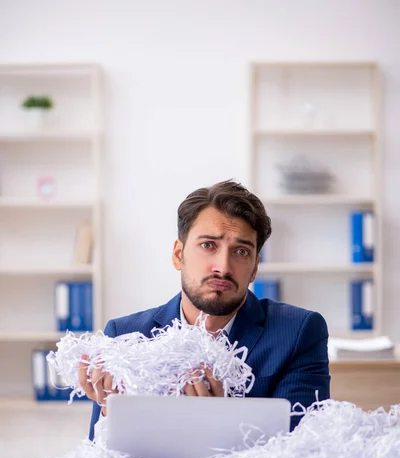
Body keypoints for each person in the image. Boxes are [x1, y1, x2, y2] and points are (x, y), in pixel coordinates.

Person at [81, 180, 330, 440]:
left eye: (241, 251)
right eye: (208, 245)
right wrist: (112, 415)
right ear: (179, 255)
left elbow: (302, 453)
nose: (222, 267)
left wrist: (219, 420)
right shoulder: (124, 335)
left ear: (255, 267)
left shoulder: (299, 331)